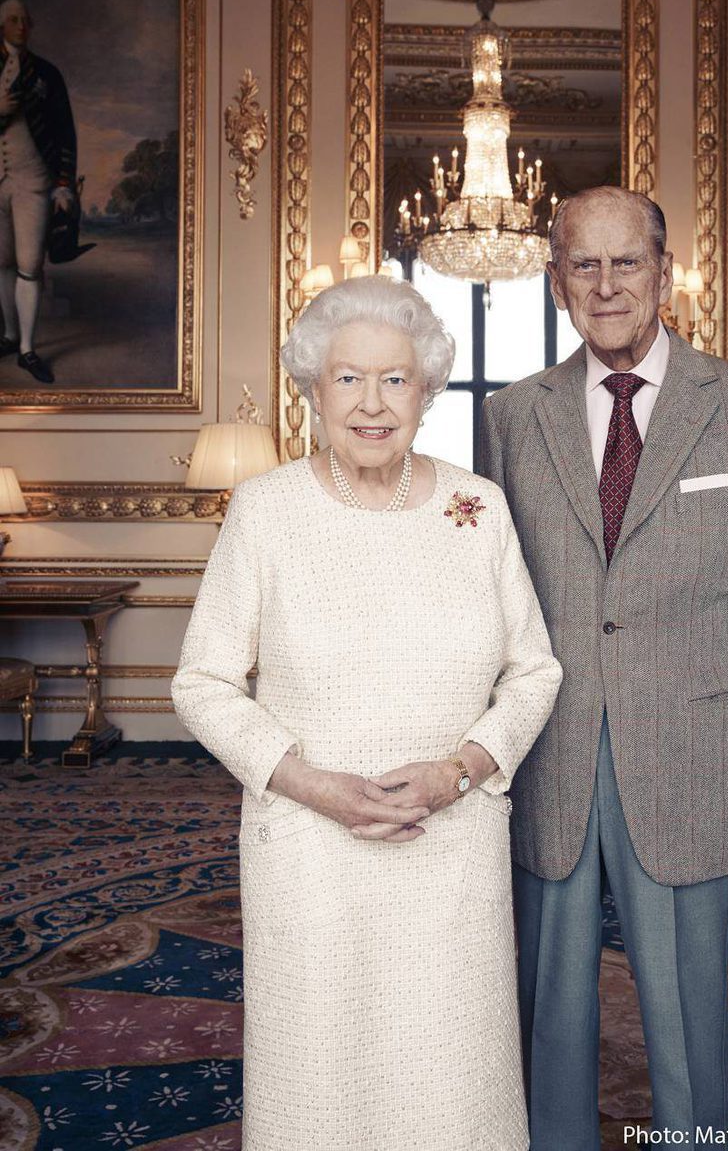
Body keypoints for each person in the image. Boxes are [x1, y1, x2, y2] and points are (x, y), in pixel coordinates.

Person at [171, 275, 562, 1150]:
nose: (373, 403)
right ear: (312, 390)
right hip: (311, 853)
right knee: (322, 1072)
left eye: (396, 379)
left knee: (451, 1073)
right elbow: (201, 682)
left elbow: (535, 672)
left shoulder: (479, 508)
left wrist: (460, 770)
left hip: (451, 848)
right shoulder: (266, 510)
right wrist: (311, 785)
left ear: (427, 390)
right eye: (348, 379)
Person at [480, 186, 728, 1150]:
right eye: (585, 263)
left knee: (688, 1012)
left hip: (691, 745)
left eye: (629, 262)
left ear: (666, 274)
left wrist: (694, 683)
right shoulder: (510, 418)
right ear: (555, 283)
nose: (608, 283)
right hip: (552, 751)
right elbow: (498, 587)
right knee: (548, 1004)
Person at [0, 0, 77, 385]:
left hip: (32, 180)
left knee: (30, 265)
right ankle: (11, 336)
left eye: (26, 20)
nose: (21, 26)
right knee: (3, 261)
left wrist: (63, 183)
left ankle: (27, 350)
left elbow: (65, 132)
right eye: (13, 20)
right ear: (1, 25)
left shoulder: (48, 73)